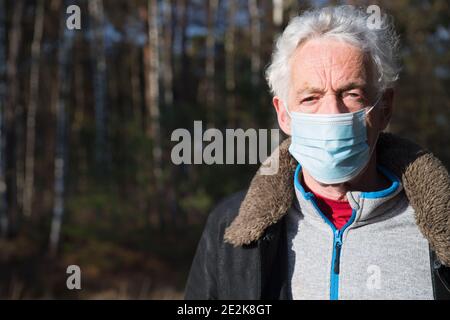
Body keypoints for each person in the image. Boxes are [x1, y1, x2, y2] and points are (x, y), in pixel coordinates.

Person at [185, 5, 450, 300]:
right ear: (284, 115)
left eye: (351, 94)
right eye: (311, 97)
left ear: (385, 107)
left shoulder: (440, 233)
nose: (331, 113)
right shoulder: (230, 228)